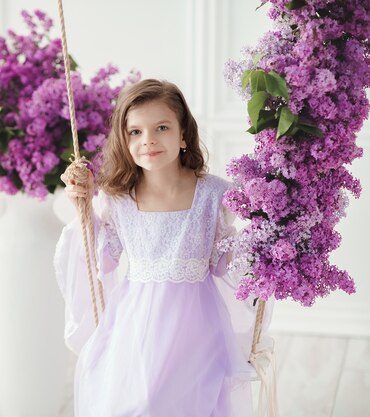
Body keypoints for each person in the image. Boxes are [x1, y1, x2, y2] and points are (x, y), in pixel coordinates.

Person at [54, 79, 272, 416]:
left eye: (162, 127)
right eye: (135, 132)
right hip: (137, 324)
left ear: (183, 135)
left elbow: (225, 261)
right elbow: (101, 256)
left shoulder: (215, 195)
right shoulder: (118, 199)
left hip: (198, 328)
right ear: (124, 140)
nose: (149, 140)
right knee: (143, 403)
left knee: (191, 402)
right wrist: (82, 211)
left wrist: (262, 246)